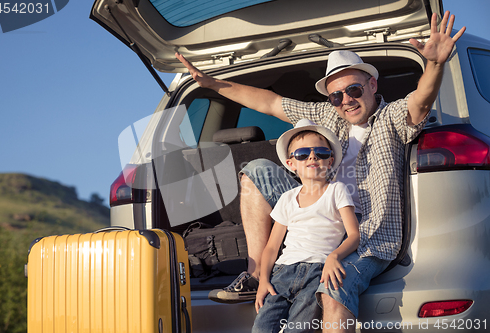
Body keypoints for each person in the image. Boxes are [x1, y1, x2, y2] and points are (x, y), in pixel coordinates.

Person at [176, 11, 465, 332]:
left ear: (372, 84)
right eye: (336, 95)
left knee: (333, 287)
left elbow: (420, 103)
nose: (346, 100)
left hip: (368, 240)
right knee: (256, 170)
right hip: (320, 232)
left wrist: (435, 65)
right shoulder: (328, 115)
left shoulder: (391, 117)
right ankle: (256, 275)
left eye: (354, 90)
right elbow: (270, 103)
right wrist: (214, 84)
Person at [252, 119, 359, 333]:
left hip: (317, 272)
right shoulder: (287, 198)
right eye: (302, 154)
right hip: (282, 273)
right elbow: (272, 247)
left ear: (330, 161)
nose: (312, 157)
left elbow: (354, 235)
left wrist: (334, 256)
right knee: (261, 329)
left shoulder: (336, 190)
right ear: (291, 163)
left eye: (321, 152)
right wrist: (263, 280)